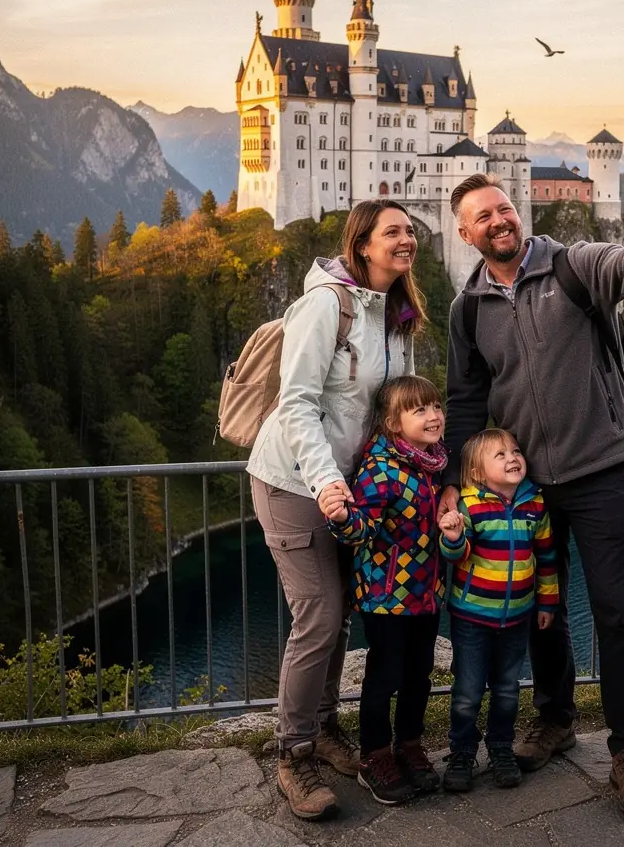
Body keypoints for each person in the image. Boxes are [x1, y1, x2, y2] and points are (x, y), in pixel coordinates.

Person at [441, 162, 624, 816]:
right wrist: (458, 485)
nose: (500, 220)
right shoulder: (467, 310)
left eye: (505, 208)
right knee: (544, 607)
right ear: (464, 233)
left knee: (618, 611)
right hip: (526, 484)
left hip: (601, 471)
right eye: (484, 216)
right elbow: (465, 401)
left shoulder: (574, 266)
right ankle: (557, 717)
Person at [246, 199, 425, 821]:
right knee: (319, 613)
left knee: (342, 608)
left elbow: (393, 414)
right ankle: (292, 753)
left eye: (411, 232)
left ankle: (323, 727)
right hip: (294, 482)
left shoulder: (398, 315)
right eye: (393, 232)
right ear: (362, 243)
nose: (407, 241)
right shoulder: (326, 305)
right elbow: (296, 404)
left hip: (355, 493)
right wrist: (326, 480)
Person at [321, 375, 447, 806]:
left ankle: (409, 746)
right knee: (384, 679)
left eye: (435, 406)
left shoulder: (433, 463)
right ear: (393, 423)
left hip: (426, 595)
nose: (433, 416)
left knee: (419, 677)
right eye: (419, 410)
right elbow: (362, 528)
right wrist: (342, 518)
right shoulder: (379, 470)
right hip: (386, 598)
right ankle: (375, 756)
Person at [437, 428, 558, 793]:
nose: (512, 458)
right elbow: (454, 556)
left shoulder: (535, 504)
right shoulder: (469, 506)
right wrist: (454, 536)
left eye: (515, 451)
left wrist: (547, 601)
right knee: (469, 689)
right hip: (472, 617)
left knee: (507, 689)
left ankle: (501, 748)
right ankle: (462, 751)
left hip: (518, 617)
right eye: (500, 455)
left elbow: (547, 557)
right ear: (476, 471)